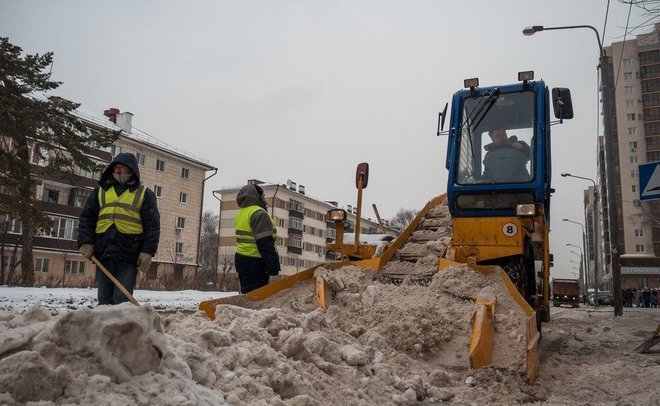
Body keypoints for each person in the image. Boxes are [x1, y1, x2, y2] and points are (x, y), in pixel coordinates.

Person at [78, 152, 160, 305]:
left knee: (122, 301)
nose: (119, 171)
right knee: (104, 300)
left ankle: (121, 328)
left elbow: (152, 226)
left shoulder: (144, 194)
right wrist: (86, 241)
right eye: (116, 168)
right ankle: (105, 329)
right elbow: (87, 217)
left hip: (129, 255)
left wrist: (147, 251)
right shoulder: (100, 191)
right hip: (104, 253)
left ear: (132, 170)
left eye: (123, 168)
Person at [234, 183, 280, 293]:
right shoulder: (259, 214)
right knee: (256, 297)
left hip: (241, 259)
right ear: (257, 197)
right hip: (256, 263)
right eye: (263, 196)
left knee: (247, 295)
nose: (264, 198)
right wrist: (273, 267)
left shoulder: (242, 212)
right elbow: (265, 242)